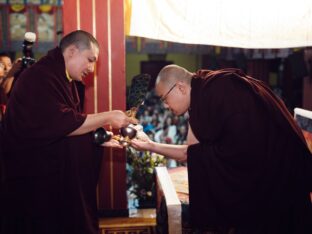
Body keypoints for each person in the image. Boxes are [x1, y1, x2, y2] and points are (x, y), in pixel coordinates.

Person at [131, 64, 312, 233]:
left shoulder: (222, 89)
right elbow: (193, 152)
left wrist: (152, 146)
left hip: (281, 173)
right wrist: (150, 146)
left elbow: (243, 149)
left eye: (164, 98)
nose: (165, 105)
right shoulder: (200, 97)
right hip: (267, 169)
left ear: (181, 87)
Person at [1, 30, 137, 234]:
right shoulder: (40, 76)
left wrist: (98, 138)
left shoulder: (63, 78)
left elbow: (66, 125)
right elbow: (61, 122)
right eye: (90, 60)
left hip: (48, 176)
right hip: (31, 179)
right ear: (72, 51)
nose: (91, 68)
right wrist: (109, 116)